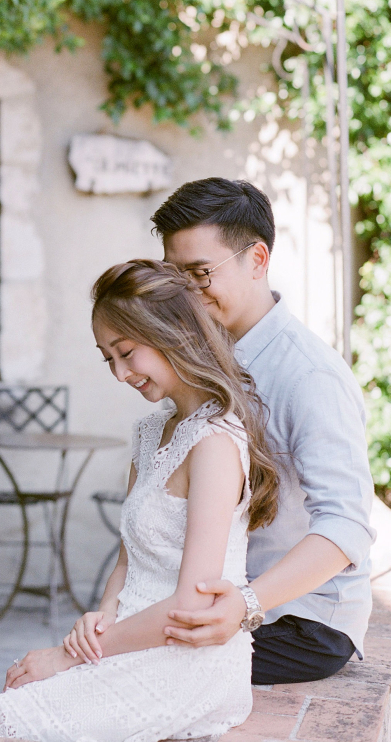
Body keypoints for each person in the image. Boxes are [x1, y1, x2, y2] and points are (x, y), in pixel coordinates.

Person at [0, 259, 279, 742]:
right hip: (127, 641)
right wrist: (97, 622)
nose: (120, 373)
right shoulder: (150, 434)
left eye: (126, 353)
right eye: (108, 359)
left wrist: (69, 655)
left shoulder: (215, 443)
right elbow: (128, 560)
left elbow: (192, 605)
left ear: (174, 333)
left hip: (187, 663)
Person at [150, 177, 374, 684]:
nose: (186, 293)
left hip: (301, 622)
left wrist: (246, 604)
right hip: (226, 604)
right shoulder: (203, 356)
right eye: (173, 277)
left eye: (200, 274)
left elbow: (346, 526)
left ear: (257, 259)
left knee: (133, 674)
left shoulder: (310, 375)